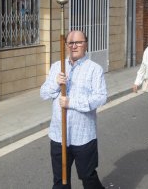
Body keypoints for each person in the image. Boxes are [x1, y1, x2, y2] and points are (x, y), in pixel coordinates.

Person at [40, 30, 107, 189]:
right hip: (59, 135)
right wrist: (56, 82)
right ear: (66, 45)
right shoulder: (58, 66)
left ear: (86, 44)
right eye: (70, 43)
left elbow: (100, 97)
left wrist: (71, 102)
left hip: (83, 136)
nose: (74, 46)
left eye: (78, 42)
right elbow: (43, 93)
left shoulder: (94, 69)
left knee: (88, 177)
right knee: (60, 180)